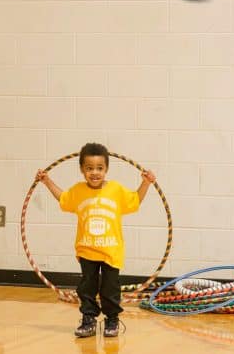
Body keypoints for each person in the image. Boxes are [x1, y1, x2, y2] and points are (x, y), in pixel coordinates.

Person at [36, 142, 156, 338]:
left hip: (111, 252)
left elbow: (134, 201)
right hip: (87, 251)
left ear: (106, 169)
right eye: (89, 168)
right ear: (82, 170)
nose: (95, 173)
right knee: (87, 289)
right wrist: (47, 181)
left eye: (99, 168)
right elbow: (63, 198)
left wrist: (146, 183)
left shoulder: (115, 190)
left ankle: (112, 320)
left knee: (110, 290)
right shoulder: (78, 191)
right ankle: (89, 319)